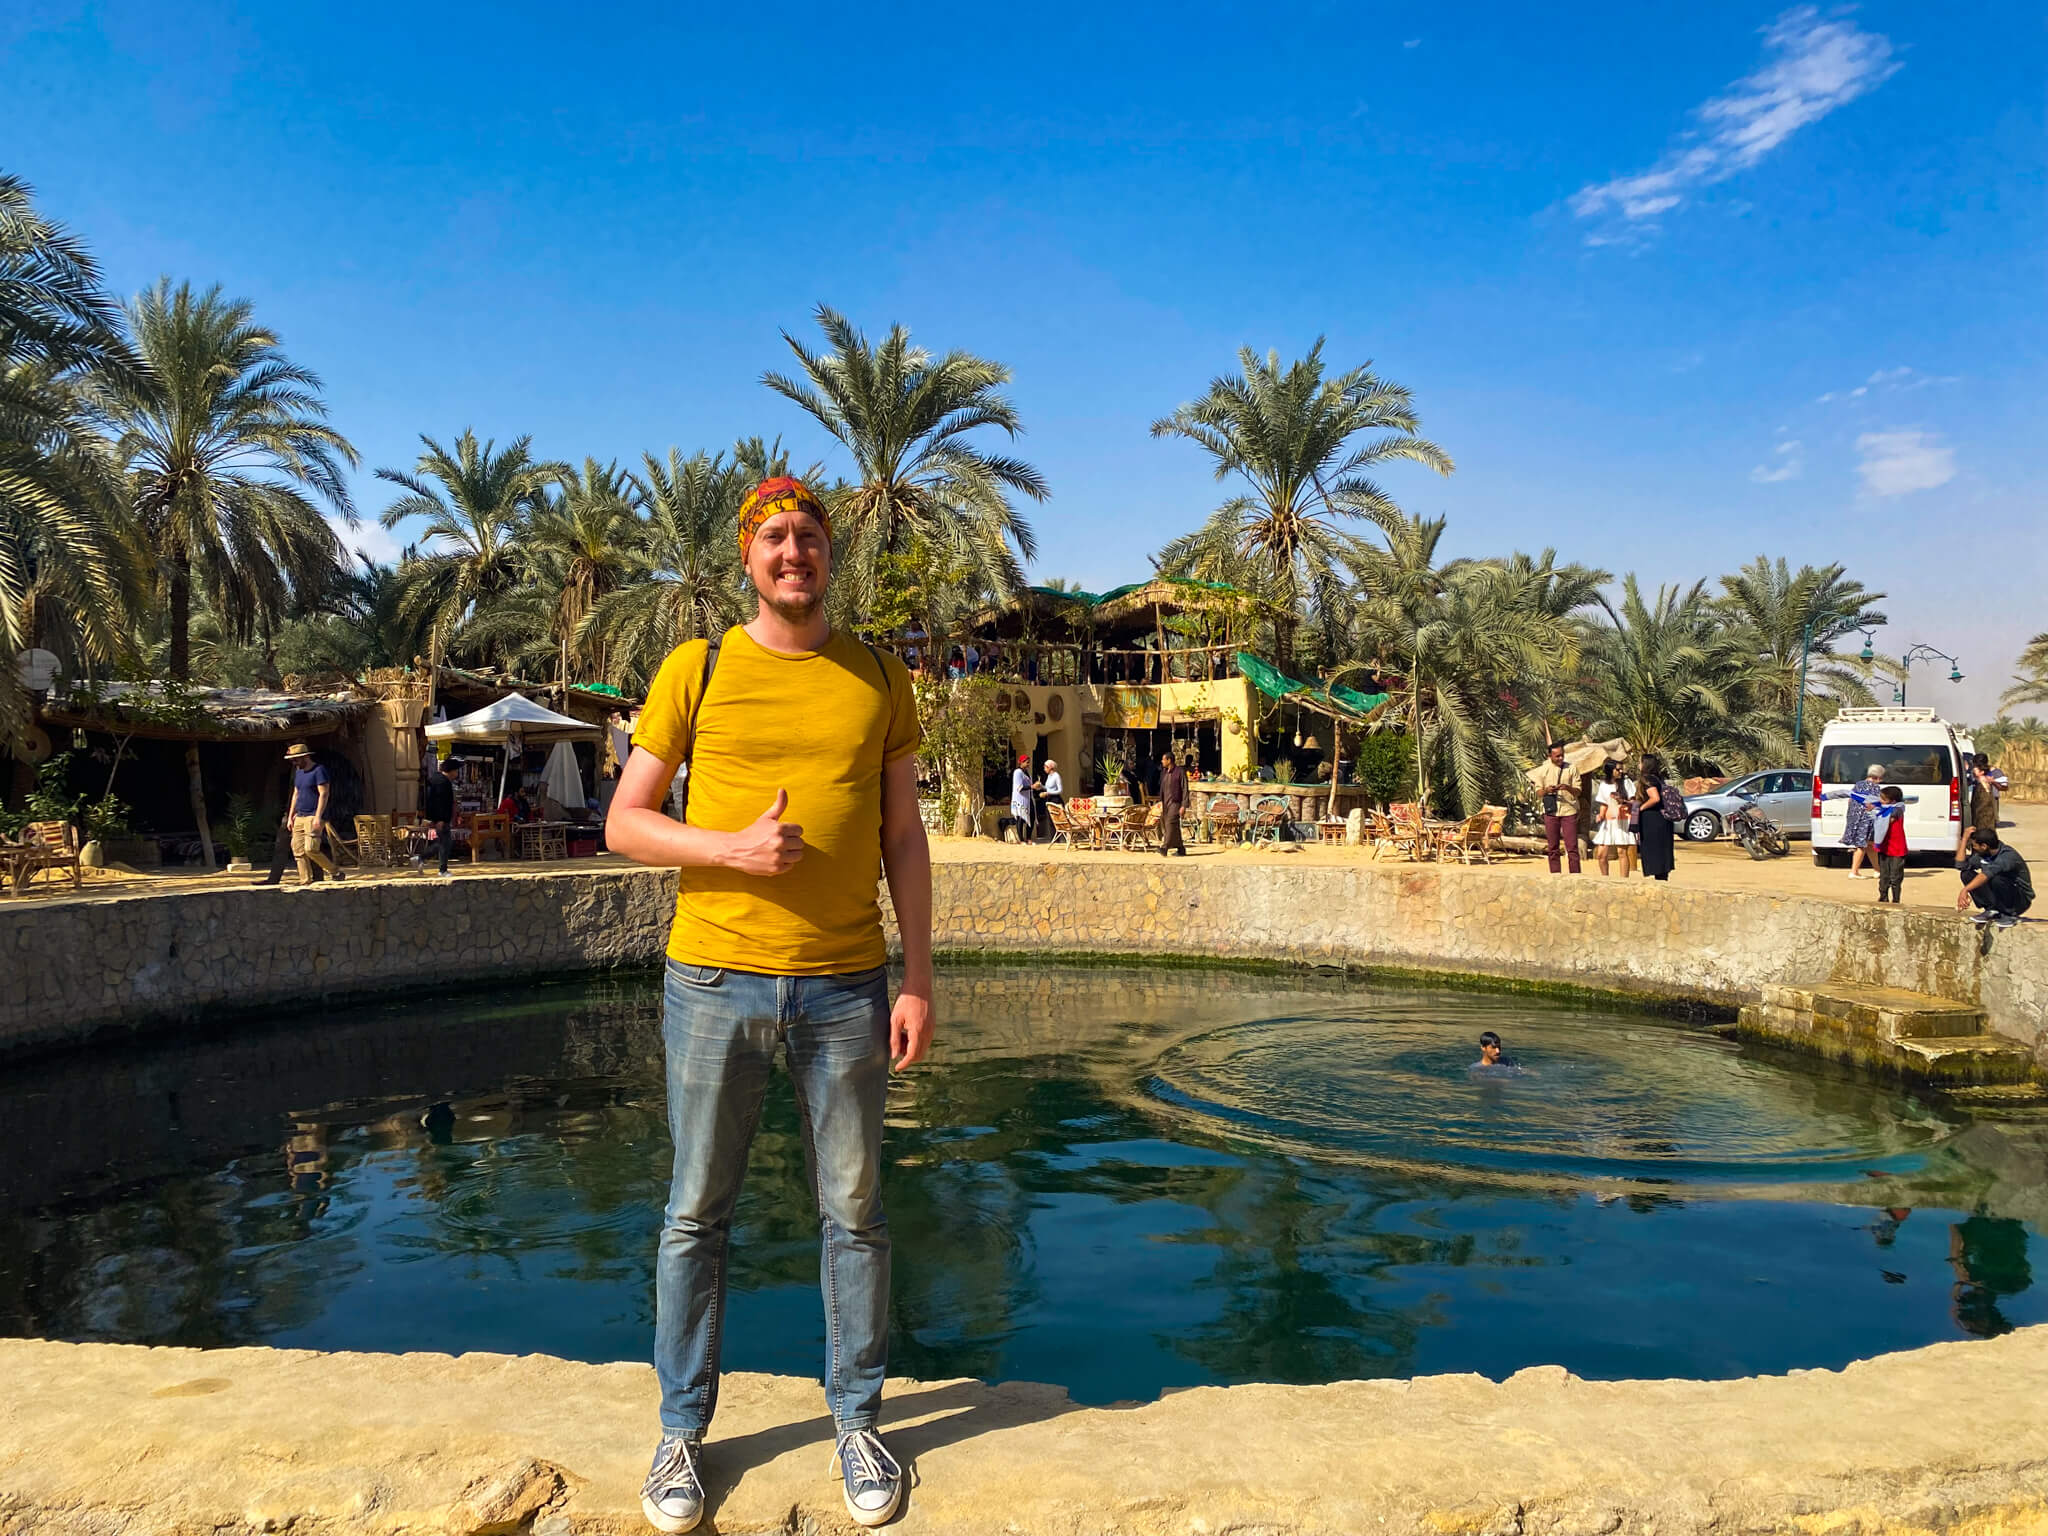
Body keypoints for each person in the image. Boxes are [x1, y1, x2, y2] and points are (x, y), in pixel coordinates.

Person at [605, 475, 931, 1532]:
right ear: (747, 559)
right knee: (694, 1214)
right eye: (774, 538)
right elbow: (625, 821)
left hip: (846, 985)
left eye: (809, 536)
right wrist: (728, 849)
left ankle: (857, 1421)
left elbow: (902, 838)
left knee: (855, 1214)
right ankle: (680, 1433)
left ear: (831, 556)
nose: (793, 553)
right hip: (711, 980)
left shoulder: (880, 676)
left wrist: (917, 976)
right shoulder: (696, 669)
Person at [281, 741, 341, 887]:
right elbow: (296, 794)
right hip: (299, 816)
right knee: (297, 849)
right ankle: (305, 880)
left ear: (306, 757)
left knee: (311, 848)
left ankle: (334, 871)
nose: (294, 762)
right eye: (292, 760)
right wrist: (290, 816)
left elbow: (324, 794)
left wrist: (318, 817)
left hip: (313, 815)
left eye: (296, 759)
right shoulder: (298, 772)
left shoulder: (319, 770)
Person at [1956, 827, 2033, 938]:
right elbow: (1961, 865)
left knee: (1996, 878)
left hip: (2019, 900)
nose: (1974, 849)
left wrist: (1965, 890)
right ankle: (1992, 909)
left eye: (1975, 846)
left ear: (1984, 846)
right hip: (2000, 893)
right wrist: (1964, 839)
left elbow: (1986, 875)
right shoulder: (1984, 854)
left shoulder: (2006, 856)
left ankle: (2009, 914)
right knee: (1966, 874)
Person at [1824, 763, 1887, 880]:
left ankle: (1877, 870)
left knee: (1870, 845)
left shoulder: (1858, 785)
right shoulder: (1874, 788)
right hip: (1866, 820)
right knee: (1862, 845)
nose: (1880, 781)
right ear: (1877, 777)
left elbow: (1850, 801)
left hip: (1854, 818)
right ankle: (1854, 871)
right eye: (1881, 778)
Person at [1531, 742, 1582, 876]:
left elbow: (1578, 791)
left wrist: (1567, 787)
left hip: (1569, 810)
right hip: (1551, 811)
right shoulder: (1543, 770)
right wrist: (1547, 790)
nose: (1560, 758)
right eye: (1557, 756)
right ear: (1550, 756)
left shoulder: (1572, 768)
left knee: (1572, 846)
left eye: (1562, 755)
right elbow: (1538, 792)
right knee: (1552, 846)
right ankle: (1555, 875)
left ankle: (1575, 876)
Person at [1635, 751, 1676, 881]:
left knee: (1654, 849)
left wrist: (1641, 808)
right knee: (1662, 849)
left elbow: (1655, 798)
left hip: (1652, 819)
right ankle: (1662, 877)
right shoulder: (1659, 778)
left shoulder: (1647, 779)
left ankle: (1659, 878)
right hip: (1662, 819)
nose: (1638, 764)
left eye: (1640, 762)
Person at [1592, 761, 1636, 878]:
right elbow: (1603, 804)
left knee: (1622, 852)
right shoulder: (1604, 785)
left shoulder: (1626, 783)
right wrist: (1600, 815)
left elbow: (1634, 801)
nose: (1620, 771)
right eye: (1617, 769)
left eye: (1621, 769)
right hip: (1609, 821)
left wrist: (1623, 801)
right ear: (1610, 770)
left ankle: (1623, 881)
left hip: (1622, 820)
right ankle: (1605, 878)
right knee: (1601, 854)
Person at [1871, 785, 1910, 904]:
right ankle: (1883, 896)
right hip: (1884, 847)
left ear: (1892, 801)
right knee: (1884, 875)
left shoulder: (1897, 809)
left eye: (1883, 799)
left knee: (1895, 876)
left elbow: (1886, 822)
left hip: (1897, 848)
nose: (1880, 801)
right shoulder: (1884, 808)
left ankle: (1896, 899)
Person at [422, 750, 457, 877]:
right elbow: (441, 802)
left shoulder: (435, 780)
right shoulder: (443, 783)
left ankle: (422, 859)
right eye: (456, 771)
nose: (456, 774)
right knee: (445, 843)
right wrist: (441, 819)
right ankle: (441, 869)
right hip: (442, 818)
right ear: (451, 771)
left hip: (437, 817)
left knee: (444, 842)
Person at [1159, 750, 1187, 857]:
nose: (1162, 762)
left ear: (1169, 760)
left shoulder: (1180, 772)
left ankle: (1164, 847)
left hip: (1176, 803)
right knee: (1173, 826)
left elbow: (1185, 789)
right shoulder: (1164, 772)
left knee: (1170, 823)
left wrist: (1184, 805)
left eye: (1163, 759)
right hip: (1166, 803)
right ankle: (1181, 848)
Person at [1010, 752, 1035, 843]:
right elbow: (1019, 787)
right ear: (1021, 762)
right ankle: (1021, 839)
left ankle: (1028, 837)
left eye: (1029, 762)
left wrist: (1034, 786)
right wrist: (1032, 787)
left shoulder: (1026, 773)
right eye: (1027, 762)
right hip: (1020, 799)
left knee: (1031, 817)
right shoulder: (1018, 772)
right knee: (1020, 818)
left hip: (1028, 798)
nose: (1028, 764)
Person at [1040, 758, 1065, 838]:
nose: (1044, 769)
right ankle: (1053, 838)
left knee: (1058, 820)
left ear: (1050, 767)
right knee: (1051, 820)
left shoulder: (1056, 776)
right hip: (1049, 799)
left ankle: (1060, 837)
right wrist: (1041, 786)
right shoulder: (1049, 776)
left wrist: (1048, 793)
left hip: (1056, 799)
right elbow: (1048, 788)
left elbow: (1060, 790)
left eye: (1045, 767)